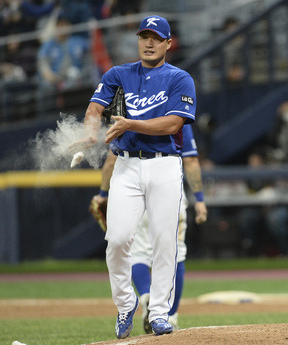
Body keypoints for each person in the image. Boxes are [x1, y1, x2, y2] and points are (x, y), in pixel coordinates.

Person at [71, 15, 196, 338]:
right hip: (126, 166)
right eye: (144, 36)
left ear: (168, 44)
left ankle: (158, 313)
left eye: (156, 38)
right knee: (117, 240)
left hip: (165, 164)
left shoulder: (180, 78)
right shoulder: (119, 74)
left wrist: (130, 125)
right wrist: (89, 133)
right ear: (138, 41)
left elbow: (172, 124)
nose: (149, 43)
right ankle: (126, 304)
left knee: (164, 242)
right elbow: (95, 108)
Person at [91, 124, 207, 334]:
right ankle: (168, 314)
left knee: (137, 252)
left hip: (130, 186)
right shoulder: (174, 116)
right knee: (174, 251)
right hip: (166, 187)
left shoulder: (129, 114)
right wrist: (199, 199)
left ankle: (144, 295)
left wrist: (103, 193)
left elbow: (111, 160)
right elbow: (189, 159)